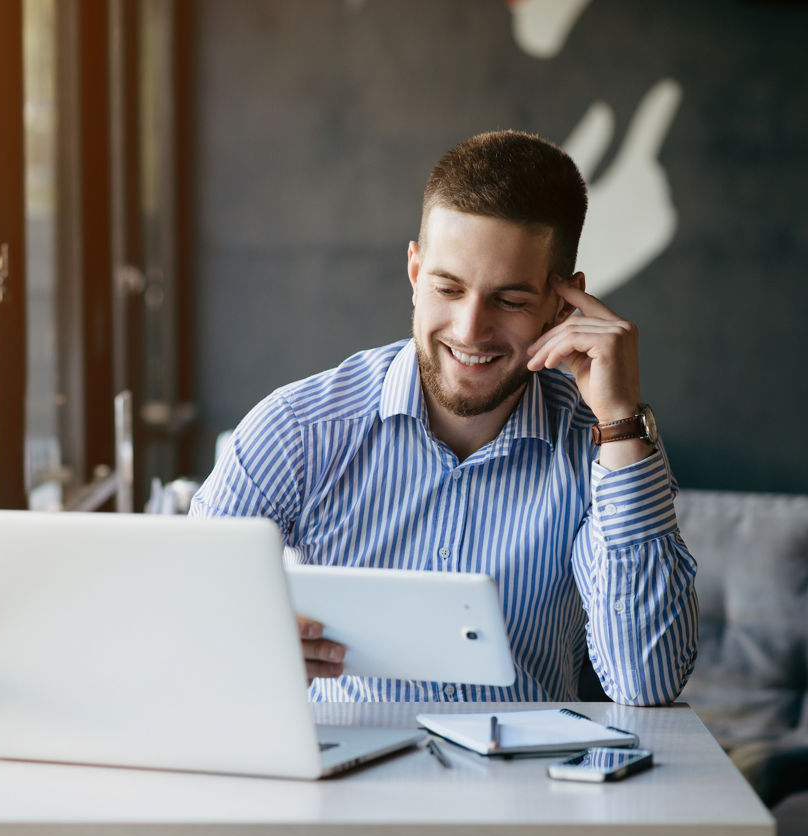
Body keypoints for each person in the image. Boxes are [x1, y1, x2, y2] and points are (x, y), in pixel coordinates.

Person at [190, 130, 698, 706]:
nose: (469, 330)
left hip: (525, 790)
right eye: (448, 288)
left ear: (564, 304)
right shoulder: (296, 432)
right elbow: (181, 626)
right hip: (341, 789)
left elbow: (647, 684)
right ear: (414, 272)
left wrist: (621, 419)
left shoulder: (598, 446)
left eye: (510, 300)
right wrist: (243, 643)